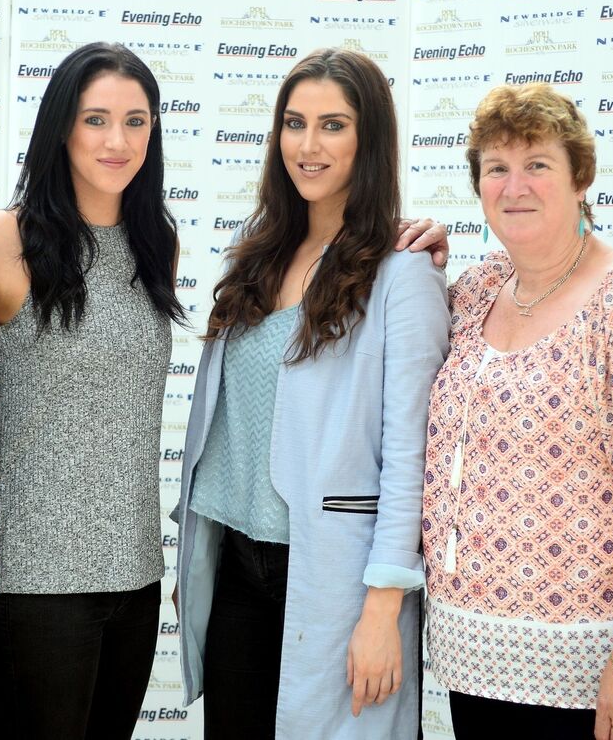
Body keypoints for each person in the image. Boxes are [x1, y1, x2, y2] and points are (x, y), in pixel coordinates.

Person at [0, 42, 183, 739]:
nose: (118, 140)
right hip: (35, 583)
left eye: (136, 120)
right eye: (95, 119)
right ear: (61, 127)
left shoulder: (157, 244)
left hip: (136, 576)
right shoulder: (0, 238)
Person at [172, 47, 451, 738]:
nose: (308, 145)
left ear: (370, 139)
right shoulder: (255, 250)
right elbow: (228, 426)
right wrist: (199, 562)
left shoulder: (402, 273)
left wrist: (383, 612)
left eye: (333, 125)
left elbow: (410, 454)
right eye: (294, 124)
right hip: (237, 570)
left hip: (336, 576)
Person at [421, 82, 613, 740]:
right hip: (473, 656)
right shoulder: (479, 290)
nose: (514, 186)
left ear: (581, 179)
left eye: (537, 165)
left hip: (586, 667)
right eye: (497, 168)